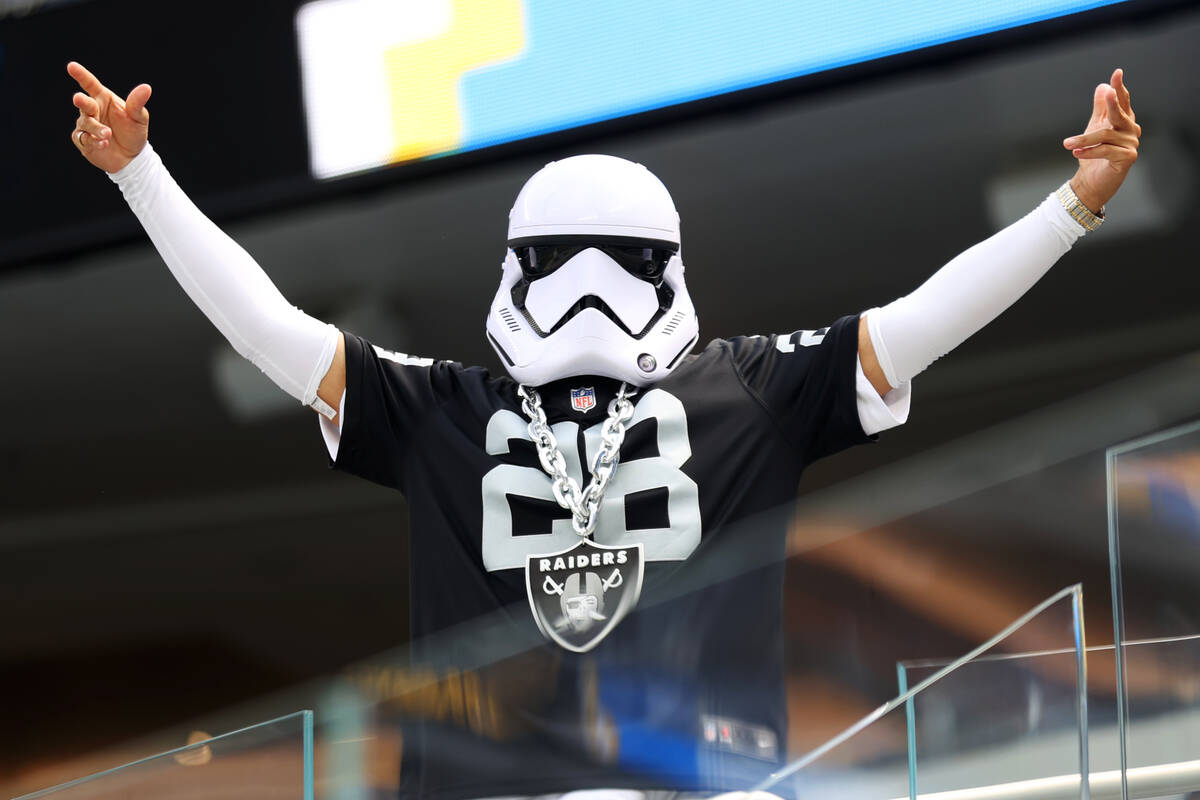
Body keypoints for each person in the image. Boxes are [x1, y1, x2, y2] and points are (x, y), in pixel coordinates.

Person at [65, 60, 1140, 798]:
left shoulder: (743, 389)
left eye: (619, 261)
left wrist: (1072, 205)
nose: (586, 290)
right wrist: (142, 176)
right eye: (558, 258)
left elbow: (920, 325)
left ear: (666, 269)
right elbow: (269, 330)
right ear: (514, 267)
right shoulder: (446, 406)